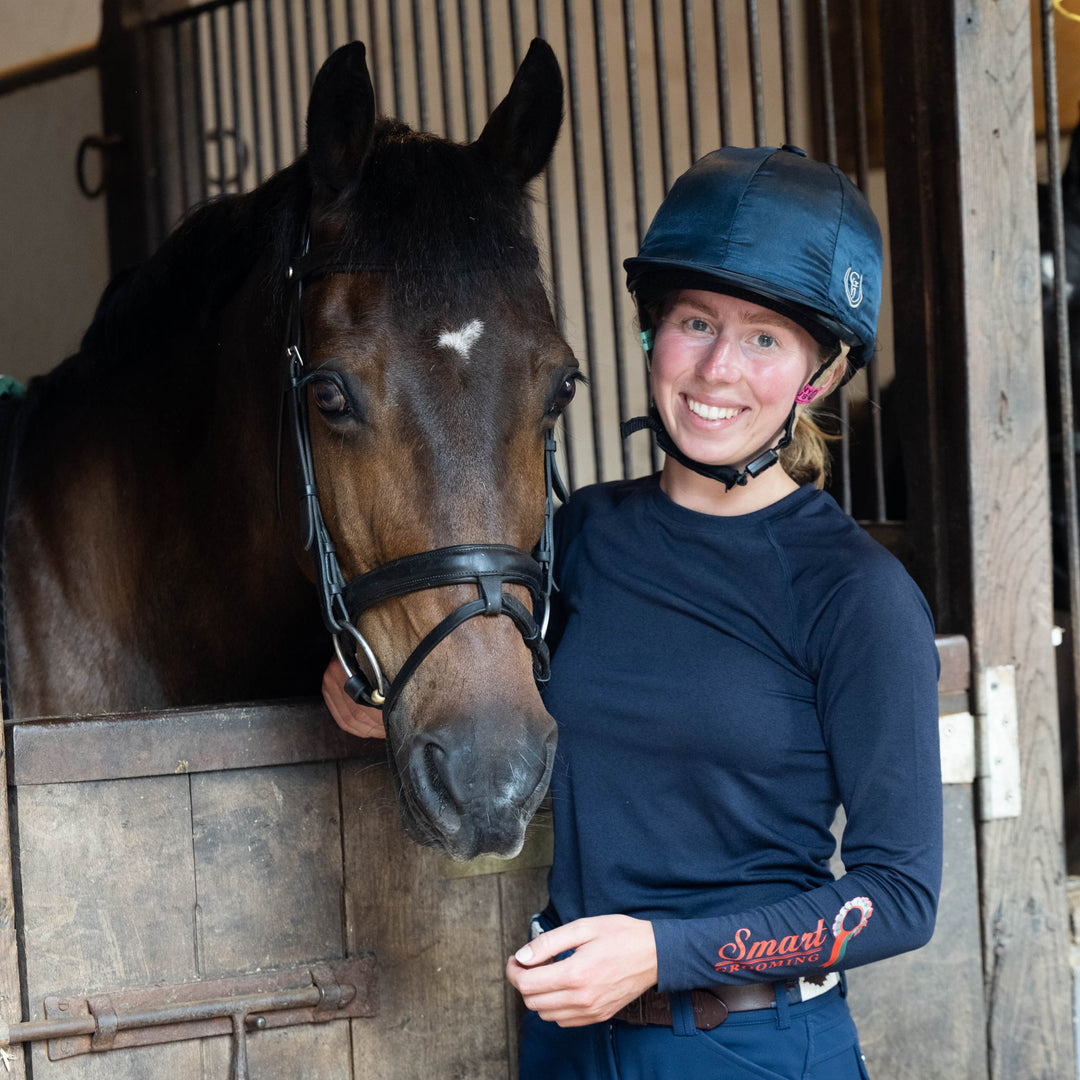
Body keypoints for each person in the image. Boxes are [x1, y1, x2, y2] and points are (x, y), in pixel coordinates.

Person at [323, 144, 943, 1080]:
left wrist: (664, 953)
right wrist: (368, 677)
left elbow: (901, 897)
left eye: (765, 338)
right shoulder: (581, 539)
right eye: (695, 321)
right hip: (566, 1043)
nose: (718, 369)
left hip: (751, 1047)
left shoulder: (856, 594)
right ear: (654, 333)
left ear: (816, 374)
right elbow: (478, 663)